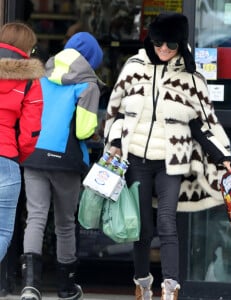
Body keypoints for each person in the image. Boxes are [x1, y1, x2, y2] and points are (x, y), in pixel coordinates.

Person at [103, 12, 231, 300]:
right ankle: (142, 283)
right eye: (158, 43)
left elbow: (202, 126)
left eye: (171, 44)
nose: (164, 49)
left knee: (167, 223)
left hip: (172, 161)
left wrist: (223, 158)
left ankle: (170, 288)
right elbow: (115, 111)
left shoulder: (191, 77)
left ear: (181, 43)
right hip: (136, 160)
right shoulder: (133, 68)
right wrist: (116, 140)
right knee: (142, 227)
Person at [21, 32, 103, 300]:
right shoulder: (88, 85)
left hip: (34, 154)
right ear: (91, 60)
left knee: (36, 217)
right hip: (66, 160)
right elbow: (83, 130)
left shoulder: (41, 76)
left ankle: (30, 287)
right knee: (65, 224)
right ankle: (66, 288)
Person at [0, 22, 44, 263]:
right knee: (2, 231)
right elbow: (31, 132)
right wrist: (19, 158)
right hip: (6, 159)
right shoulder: (30, 80)